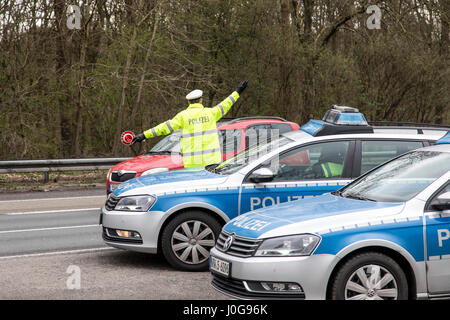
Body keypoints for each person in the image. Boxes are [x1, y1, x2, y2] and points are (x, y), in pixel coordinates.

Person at [132, 80, 248, 168]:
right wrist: (237, 91)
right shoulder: (211, 113)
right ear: (201, 100)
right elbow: (226, 104)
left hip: (191, 165)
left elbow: (163, 128)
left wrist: (143, 135)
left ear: (188, 102)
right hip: (211, 163)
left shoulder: (182, 116)